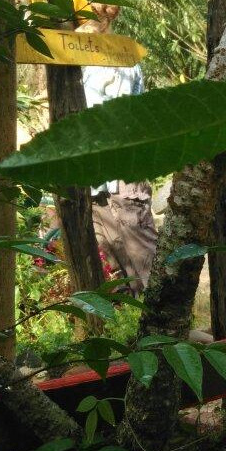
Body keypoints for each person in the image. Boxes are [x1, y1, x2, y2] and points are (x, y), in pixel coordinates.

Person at [82, 62, 158, 296]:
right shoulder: (80, 64)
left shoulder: (120, 60)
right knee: (112, 255)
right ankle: (132, 310)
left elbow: (121, 118)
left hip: (122, 172)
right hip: (94, 178)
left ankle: (165, 310)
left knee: (143, 254)